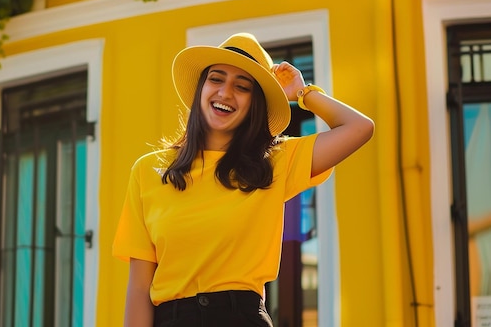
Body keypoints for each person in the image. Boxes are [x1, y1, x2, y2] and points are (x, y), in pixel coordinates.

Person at [112, 32, 374, 326]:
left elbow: (359, 128)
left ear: (255, 104)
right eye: (216, 79)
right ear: (201, 88)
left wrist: (303, 93)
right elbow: (138, 287)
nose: (225, 93)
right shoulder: (148, 170)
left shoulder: (275, 162)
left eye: (242, 86)